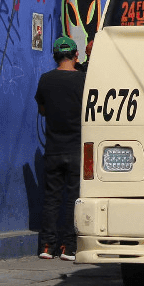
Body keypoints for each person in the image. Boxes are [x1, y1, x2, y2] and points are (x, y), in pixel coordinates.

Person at [34, 36, 88, 261]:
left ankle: (47, 246)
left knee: (52, 198)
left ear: (55, 56)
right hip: (77, 149)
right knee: (73, 198)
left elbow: (43, 110)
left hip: (54, 149)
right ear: (76, 56)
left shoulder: (46, 80)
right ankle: (68, 247)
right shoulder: (84, 81)